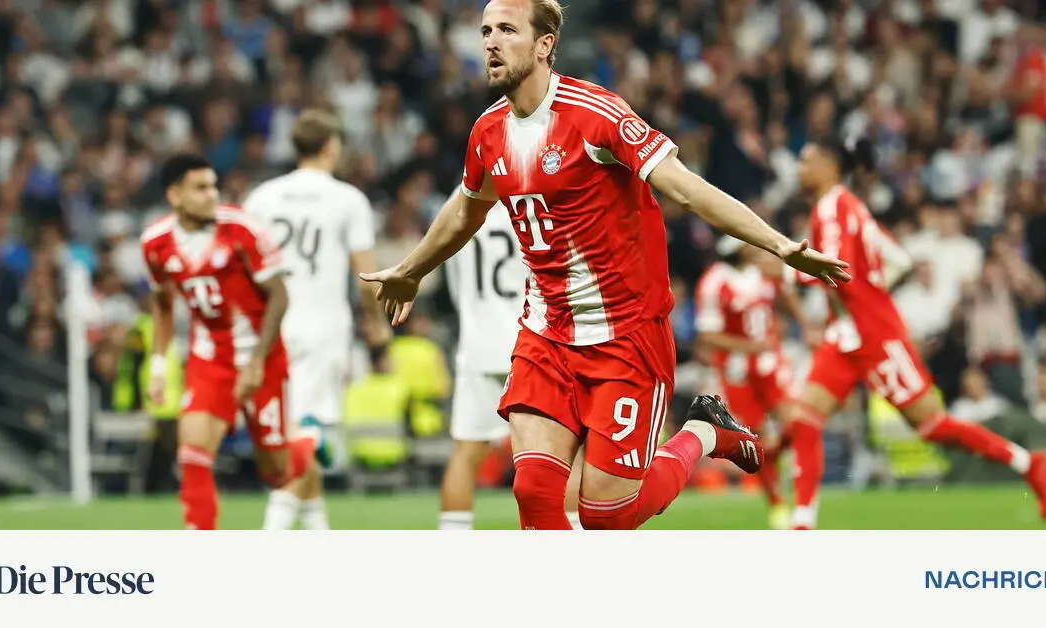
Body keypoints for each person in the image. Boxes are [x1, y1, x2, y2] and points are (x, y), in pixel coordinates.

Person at [361, 0, 850, 530]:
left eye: (506, 29)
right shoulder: (488, 132)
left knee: (606, 516)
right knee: (532, 489)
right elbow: (465, 210)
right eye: (485, 31)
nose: (491, 42)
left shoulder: (596, 114)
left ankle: (705, 432)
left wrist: (779, 245)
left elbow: (686, 188)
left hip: (626, 336)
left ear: (545, 44)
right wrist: (412, 270)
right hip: (546, 333)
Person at [781, 139, 1046, 530]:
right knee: (805, 417)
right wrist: (871, 290)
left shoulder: (831, 208)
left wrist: (790, 271)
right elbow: (897, 258)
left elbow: (836, 267)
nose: (799, 168)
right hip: (847, 335)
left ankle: (1029, 463)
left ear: (830, 165)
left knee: (931, 425)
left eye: (806, 160)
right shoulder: (850, 205)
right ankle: (802, 523)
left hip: (874, 336)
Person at [141, 153, 325, 530]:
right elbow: (162, 304)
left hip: (263, 358)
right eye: (200, 188)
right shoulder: (155, 243)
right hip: (211, 358)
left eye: (213, 186)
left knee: (277, 472)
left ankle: (306, 442)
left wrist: (256, 362)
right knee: (192, 454)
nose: (212, 195)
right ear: (175, 196)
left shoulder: (241, 229)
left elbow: (279, 296)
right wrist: (158, 366)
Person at [243, 109, 391, 530]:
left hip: (272, 328)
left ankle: (317, 530)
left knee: (293, 430)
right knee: (308, 433)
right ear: (330, 146)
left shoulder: (262, 197)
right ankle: (273, 528)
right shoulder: (347, 199)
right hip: (322, 328)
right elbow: (366, 277)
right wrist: (376, 323)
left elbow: (245, 267)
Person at [437, 194, 584, 529]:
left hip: (477, 343)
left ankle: (451, 536)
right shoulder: (528, 196)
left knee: (466, 452)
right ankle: (574, 532)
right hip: (534, 339)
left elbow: (453, 281)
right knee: (565, 452)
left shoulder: (458, 202)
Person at [695, 236, 806, 529]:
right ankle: (777, 502)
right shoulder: (714, 281)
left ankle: (777, 455)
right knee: (756, 439)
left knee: (795, 422)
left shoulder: (764, 269)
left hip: (770, 363)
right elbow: (707, 335)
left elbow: (786, 295)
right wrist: (748, 347)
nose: (754, 246)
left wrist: (803, 323)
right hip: (737, 371)